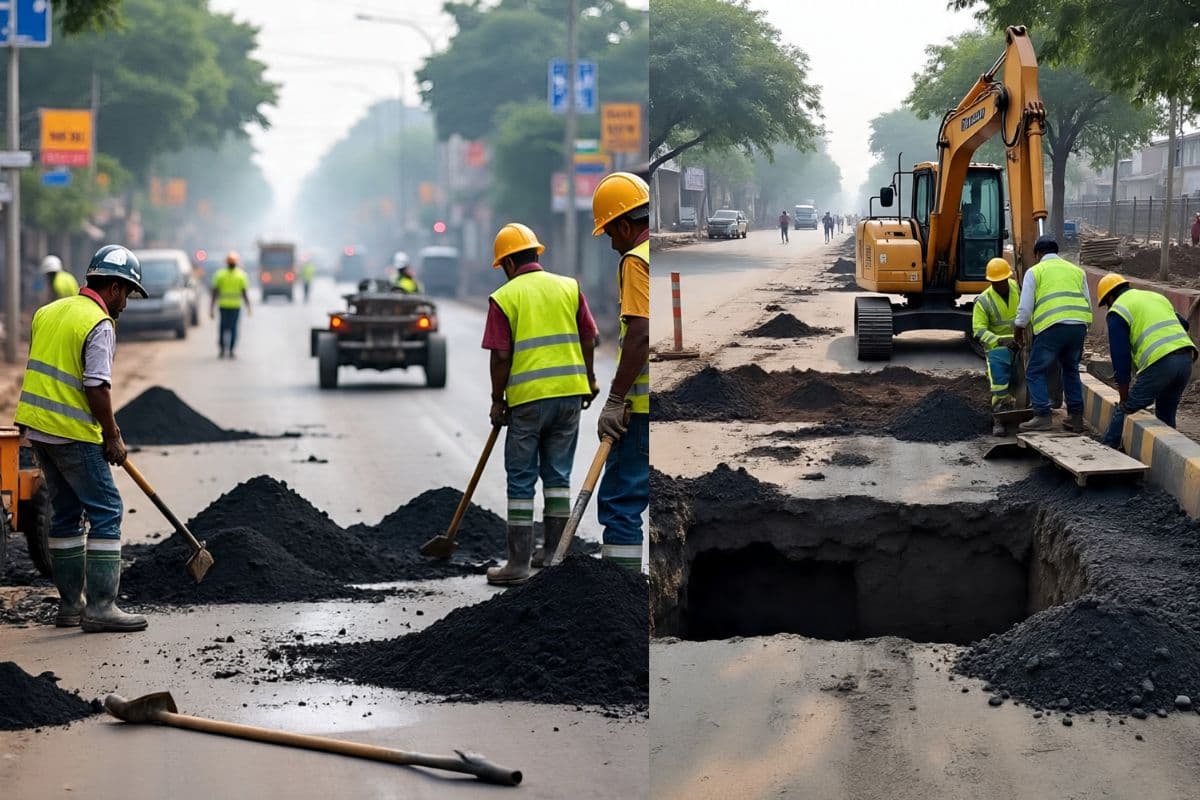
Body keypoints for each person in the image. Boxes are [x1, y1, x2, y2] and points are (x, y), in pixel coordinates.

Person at [15, 245, 148, 633]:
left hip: (39, 430)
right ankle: (102, 607)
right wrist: (113, 436)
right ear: (115, 288)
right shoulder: (99, 323)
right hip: (74, 433)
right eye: (128, 293)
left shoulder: (48, 312)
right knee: (107, 510)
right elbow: (96, 388)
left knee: (67, 515)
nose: (126, 303)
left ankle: (70, 607)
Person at [483, 222, 599, 584]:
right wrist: (589, 380)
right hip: (568, 397)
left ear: (506, 263)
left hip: (528, 404)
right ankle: (552, 555)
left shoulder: (505, 297)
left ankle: (517, 564)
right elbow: (590, 338)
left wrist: (497, 400)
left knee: (521, 480)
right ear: (536, 254)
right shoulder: (569, 287)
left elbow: (501, 357)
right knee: (558, 477)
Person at [590, 172, 650, 572]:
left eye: (611, 232)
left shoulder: (634, 259)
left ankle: (622, 598)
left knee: (620, 501)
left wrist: (614, 399)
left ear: (626, 225)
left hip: (640, 410)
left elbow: (640, 333)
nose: (612, 243)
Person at [1096, 273, 1197, 448]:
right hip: (1186, 359)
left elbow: (1121, 358)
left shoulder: (1117, 310)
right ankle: (1167, 454)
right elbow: (1184, 324)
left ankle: (1107, 450)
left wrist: (1124, 396)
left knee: (1126, 408)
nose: (1108, 308)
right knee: (1166, 414)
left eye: (1106, 304)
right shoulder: (1155, 297)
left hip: (1161, 363)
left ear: (1110, 297)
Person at [1014, 235, 1093, 432]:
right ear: (1056, 252)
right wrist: (1083, 329)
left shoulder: (1035, 272)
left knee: (1034, 370)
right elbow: (1088, 303)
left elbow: (1025, 309)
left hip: (1052, 327)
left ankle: (1042, 415)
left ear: (1037, 254)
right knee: (1070, 369)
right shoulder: (1077, 271)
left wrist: (1019, 330)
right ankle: (1075, 417)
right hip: (1078, 326)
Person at [973, 258, 1022, 435]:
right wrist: (999, 341)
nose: (1000, 285)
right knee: (1000, 386)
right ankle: (999, 418)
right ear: (991, 281)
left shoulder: (1018, 288)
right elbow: (978, 330)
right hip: (997, 349)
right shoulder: (984, 300)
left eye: (1002, 281)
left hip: (1020, 344)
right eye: (996, 282)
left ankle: (1021, 413)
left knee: (1022, 381)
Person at [210, 251, 252, 358]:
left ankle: (222, 350)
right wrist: (248, 306)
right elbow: (244, 293)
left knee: (223, 327)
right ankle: (231, 350)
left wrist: (211, 307)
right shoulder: (241, 275)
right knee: (233, 328)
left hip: (223, 305)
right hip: (235, 306)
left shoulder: (220, 274)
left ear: (227, 262)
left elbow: (215, 292)